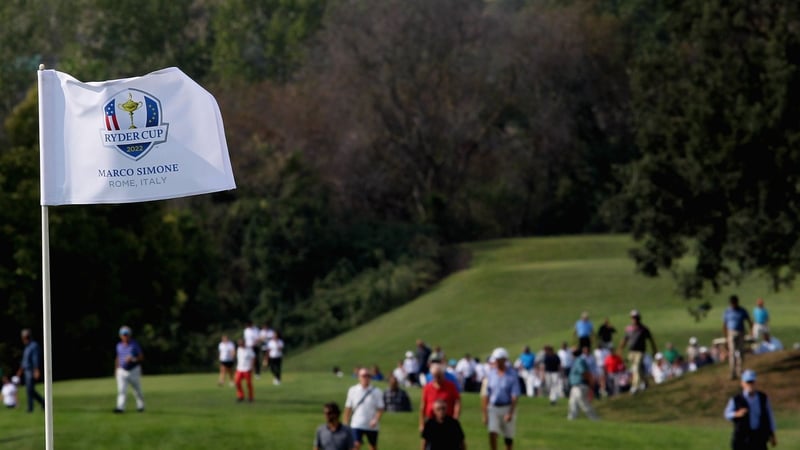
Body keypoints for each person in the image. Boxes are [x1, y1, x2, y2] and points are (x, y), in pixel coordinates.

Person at [723, 370, 777, 450]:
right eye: (748, 382)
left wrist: (772, 434)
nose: (750, 385)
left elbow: (769, 416)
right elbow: (727, 414)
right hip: (742, 439)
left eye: (752, 382)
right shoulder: (736, 399)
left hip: (759, 437)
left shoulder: (763, 398)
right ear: (742, 384)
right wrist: (736, 414)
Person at [481, 348, 520, 450]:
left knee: (508, 437)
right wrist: (485, 414)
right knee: (492, 432)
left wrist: (511, 412)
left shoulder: (512, 375)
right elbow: (486, 394)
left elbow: (514, 395)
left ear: (504, 360)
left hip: (507, 407)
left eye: (499, 360)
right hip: (493, 407)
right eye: (496, 360)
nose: (497, 362)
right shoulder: (491, 374)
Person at [344, 367, 385, 450]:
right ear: (359, 377)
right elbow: (348, 407)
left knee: (373, 446)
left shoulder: (377, 391)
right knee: (355, 445)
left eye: (368, 376)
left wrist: (376, 420)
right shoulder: (353, 390)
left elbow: (380, 408)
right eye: (363, 376)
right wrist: (345, 422)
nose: (366, 378)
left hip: (371, 425)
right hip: (357, 423)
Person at [619, 309, 657, 394]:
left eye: (636, 318)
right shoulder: (629, 329)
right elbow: (625, 339)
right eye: (633, 318)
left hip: (640, 352)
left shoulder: (643, 329)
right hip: (631, 352)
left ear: (639, 318)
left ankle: (634, 386)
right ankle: (645, 382)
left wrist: (654, 350)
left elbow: (651, 340)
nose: (634, 319)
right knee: (639, 369)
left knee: (636, 368)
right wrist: (620, 349)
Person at [419, 362, 461, 432]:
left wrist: (455, 417)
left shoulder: (450, 386)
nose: (437, 379)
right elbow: (423, 405)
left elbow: (457, 402)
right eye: (435, 376)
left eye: (439, 376)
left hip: (447, 420)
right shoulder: (427, 388)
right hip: (431, 420)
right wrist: (421, 423)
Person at [113, 325, 145, 413]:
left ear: (130, 335)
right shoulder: (118, 345)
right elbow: (118, 357)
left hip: (133, 370)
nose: (125, 336)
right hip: (122, 371)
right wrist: (116, 369)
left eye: (126, 334)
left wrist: (133, 359)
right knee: (121, 390)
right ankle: (120, 408)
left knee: (137, 390)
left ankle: (140, 406)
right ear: (120, 336)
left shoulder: (134, 344)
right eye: (123, 335)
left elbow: (141, 357)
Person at [723, 295, 753, 380]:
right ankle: (732, 372)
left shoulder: (742, 310)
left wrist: (751, 331)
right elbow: (724, 325)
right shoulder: (727, 311)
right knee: (732, 353)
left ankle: (739, 371)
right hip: (731, 332)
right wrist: (725, 337)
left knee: (740, 352)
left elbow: (749, 321)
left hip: (740, 332)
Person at [567, 346, 598, 420]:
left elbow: (584, 372)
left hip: (580, 385)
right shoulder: (578, 361)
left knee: (584, 403)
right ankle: (571, 419)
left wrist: (590, 383)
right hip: (575, 386)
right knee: (572, 404)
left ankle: (595, 419)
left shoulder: (579, 361)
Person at [234, 337, 255, 402]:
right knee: (237, 382)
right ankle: (240, 396)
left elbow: (253, 358)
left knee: (248, 383)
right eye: (239, 344)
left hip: (247, 369)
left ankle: (250, 397)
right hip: (239, 369)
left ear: (244, 343)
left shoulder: (249, 350)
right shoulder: (238, 349)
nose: (240, 345)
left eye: (241, 343)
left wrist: (252, 367)